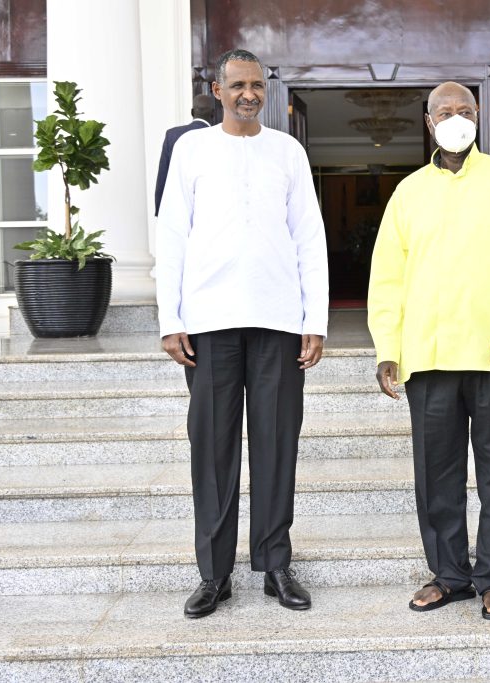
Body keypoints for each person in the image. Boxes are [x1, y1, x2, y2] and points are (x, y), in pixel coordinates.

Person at [368, 81, 490, 621]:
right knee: (437, 473)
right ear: (429, 123)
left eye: (465, 110)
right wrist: (389, 348)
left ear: (479, 117)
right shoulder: (408, 192)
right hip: (428, 358)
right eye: (445, 112)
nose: (456, 118)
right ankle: (450, 575)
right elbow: (386, 280)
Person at [156, 48, 329, 619]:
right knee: (212, 450)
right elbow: (172, 235)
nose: (248, 94)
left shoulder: (288, 151)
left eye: (256, 85)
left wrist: (315, 320)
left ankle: (275, 565)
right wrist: (169, 319)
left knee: (278, 445)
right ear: (217, 87)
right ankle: (214, 574)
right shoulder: (191, 149)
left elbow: (310, 237)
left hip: (279, 321)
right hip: (208, 324)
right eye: (237, 85)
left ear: (266, 89)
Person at [154, 94, 215, 215]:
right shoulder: (217, 137)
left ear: (192, 112)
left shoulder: (172, 135)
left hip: (177, 210)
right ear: (213, 114)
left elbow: (163, 176)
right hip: (208, 211)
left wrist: (160, 211)